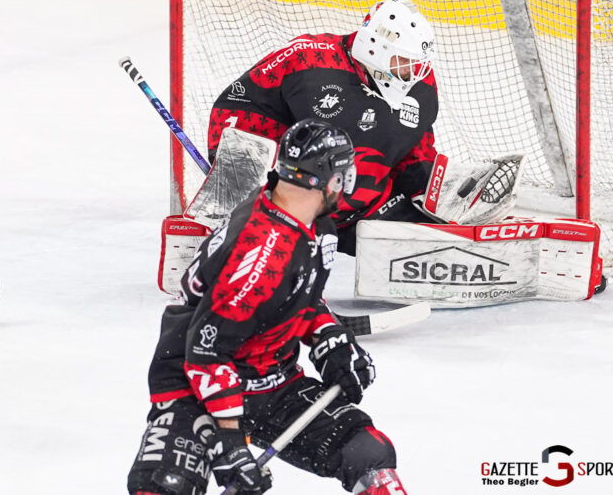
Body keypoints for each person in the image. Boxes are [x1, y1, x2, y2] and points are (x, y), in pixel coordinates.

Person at [128, 120, 407, 495]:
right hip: (194, 387)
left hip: (270, 381)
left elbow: (300, 297)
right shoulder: (261, 257)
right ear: (329, 180)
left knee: (367, 453)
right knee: (164, 488)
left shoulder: (315, 224)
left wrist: (330, 337)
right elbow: (205, 353)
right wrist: (230, 445)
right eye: (344, 172)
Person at [207, 0, 438, 256]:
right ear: (376, 47)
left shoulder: (420, 84)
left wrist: (427, 193)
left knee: (437, 245)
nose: (414, 70)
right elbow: (242, 104)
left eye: (416, 61)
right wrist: (235, 179)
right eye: (404, 60)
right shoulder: (310, 59)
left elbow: (415, 147)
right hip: (297, 206)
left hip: (368, 210)